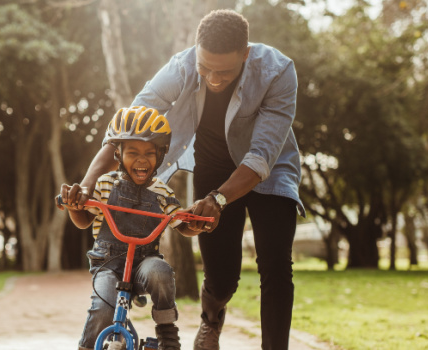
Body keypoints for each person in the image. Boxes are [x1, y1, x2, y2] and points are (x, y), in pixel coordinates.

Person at [74, 9, 305, 350]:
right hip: (213, 168)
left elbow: (260, 157)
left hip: (270, 170)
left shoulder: (278, 71)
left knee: (276, 265)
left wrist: (219, 200)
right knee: (222, 278)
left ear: (245, 54)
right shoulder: (180, 68)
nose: (213, 79)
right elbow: (128, 128)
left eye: (224, 72)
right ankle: (211, 319)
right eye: (205, 68)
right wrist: (87, 184)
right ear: (196, 51)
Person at [59, 106, 203, 350]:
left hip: (144, 264)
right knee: (103, 307)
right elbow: (83, 220)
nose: (141, 159)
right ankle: (87, 346)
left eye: (149, 153)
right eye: (133, 152)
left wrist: (196, 224)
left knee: (160, 271)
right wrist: (74, 206)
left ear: (161, 154)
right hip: (107, 264)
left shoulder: (162, 192)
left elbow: (181, 224)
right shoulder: (105, 184)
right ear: (118, 154)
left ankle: (167, 333)